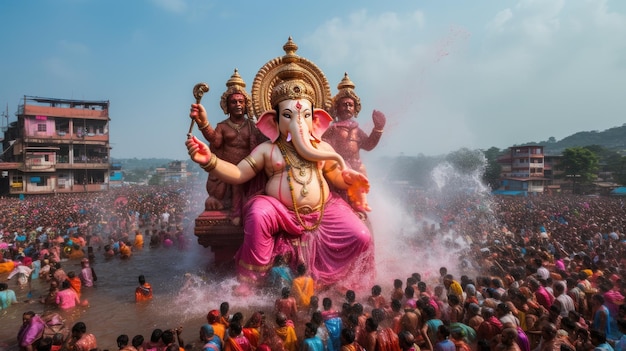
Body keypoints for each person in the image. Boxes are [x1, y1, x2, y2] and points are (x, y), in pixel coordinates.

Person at [185, 39, 374, 293]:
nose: (298, 122)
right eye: (289, 116)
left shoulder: (321, 149)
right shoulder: (268, 150)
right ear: (272, 122)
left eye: (305, 116)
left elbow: (335, 176)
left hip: (323, 210)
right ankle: (250, 280)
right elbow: (239, 173)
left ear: (316, 121)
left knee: (361, 236)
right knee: (257, 213)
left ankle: (348, 279)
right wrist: (210, 161)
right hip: (281, 211)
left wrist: (349, 180)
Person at [189, 69, 266, 226]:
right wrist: (202, 122)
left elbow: (261, 145)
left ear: (246, 104)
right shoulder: (223, 126)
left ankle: (244, 210)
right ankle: (236, 211)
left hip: (248, 169)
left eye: (241, 101)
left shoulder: (252, 126)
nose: (238, 105)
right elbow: (215, 141)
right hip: (227, 169)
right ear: (227, 105)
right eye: (234, 102)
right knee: (234, 183)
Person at [322, 72, 386, 176]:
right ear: (336, 108)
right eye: (344, 105)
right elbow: (323, 146)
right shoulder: (333, 129)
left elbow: (368, 145)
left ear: (355, 108)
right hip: (338, 167)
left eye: (350, 105)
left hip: (357, 167)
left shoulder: (357, 130)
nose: (347, 108)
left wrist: (378, 129)